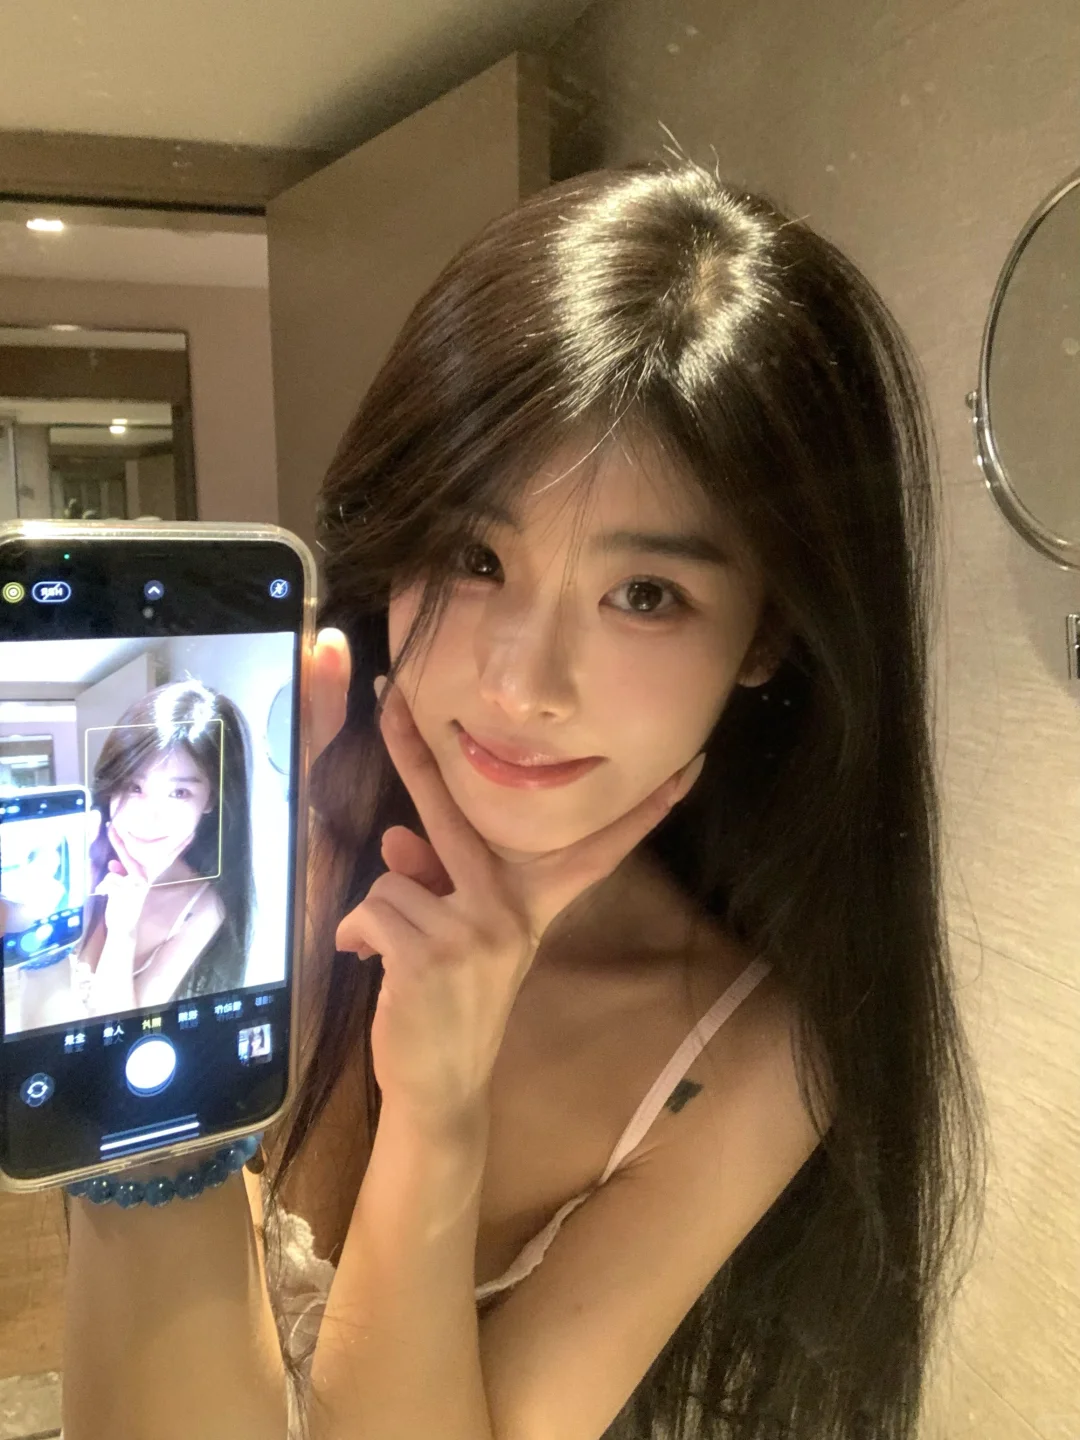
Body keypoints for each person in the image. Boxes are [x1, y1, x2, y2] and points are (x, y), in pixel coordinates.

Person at [61, 164, 985, 1440]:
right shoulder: (278, 859)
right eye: (474, 556)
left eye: (645, 594)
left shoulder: (741, 1057)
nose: (519, 685)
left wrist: (441, 1114)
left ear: (769, 630)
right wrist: (157, 1010)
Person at [16, 680, 254, 1028]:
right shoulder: (79, 855)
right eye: (134, 786)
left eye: (179, 793)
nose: (148, 817)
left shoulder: (201, 907)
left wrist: (123, 931)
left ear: (211, 800)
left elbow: (121, 1034)